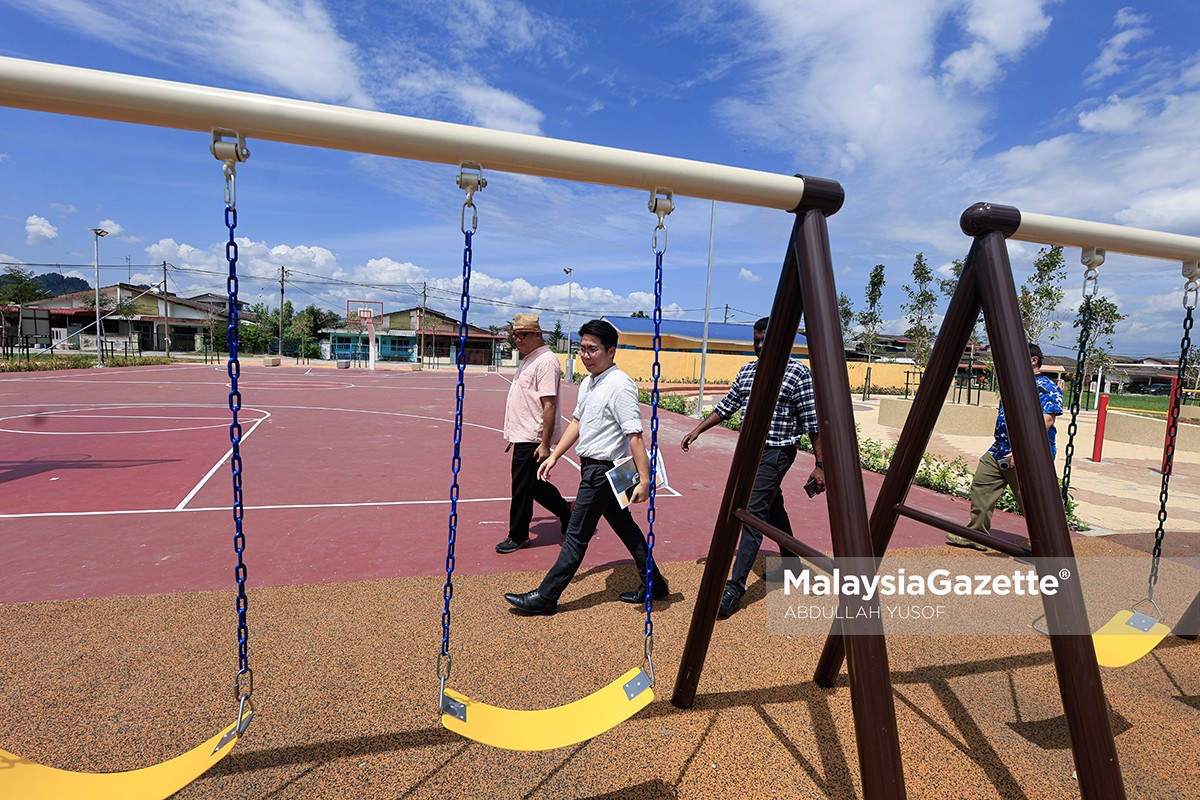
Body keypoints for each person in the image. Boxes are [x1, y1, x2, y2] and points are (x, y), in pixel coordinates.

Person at [504, 319, 668, 615]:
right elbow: (577, 422)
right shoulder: (590, 382)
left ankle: (546, 597)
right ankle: (655, 583)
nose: (586, 355)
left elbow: (635, 436)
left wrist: (644, 480)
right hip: (597, 468)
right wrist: (554, 455)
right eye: (582, 348)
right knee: (626, 528)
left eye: (593, 349)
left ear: (611, 351)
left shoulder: (620, 386)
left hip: (606, 472)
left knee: (577, 535)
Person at [680, 316, 823, 619]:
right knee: (772, 506)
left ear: (783, 341)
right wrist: (698, 430)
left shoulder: (797, 374)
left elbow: (813, 423)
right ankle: (792, 565)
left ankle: (734, 588)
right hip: (749, 453)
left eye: (766, 340)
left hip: (777, 452)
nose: (760, 346)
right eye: (756, 340)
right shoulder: (747, 371)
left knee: (752, 516)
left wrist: (820, 465)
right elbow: (727, 406)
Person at [948, 342, 1063, 549]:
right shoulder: (1016, 385)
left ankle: (1050, 546)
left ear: (1033, 360)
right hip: (999, 449)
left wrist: (1022, 449)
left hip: (1029, 453)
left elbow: (1046, 420)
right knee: (982, 486)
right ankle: (976, 535)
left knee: (1031, 501)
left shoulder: (1044, 386)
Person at [494, 313, 574, 554]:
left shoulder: (546, 362)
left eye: (523, 335)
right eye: (515, 335)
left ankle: (518, 535)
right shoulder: (530, 358)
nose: (517, 339)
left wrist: (544, 444)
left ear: (537, 335)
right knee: (534, 485)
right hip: (523, 433)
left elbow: (549, 405)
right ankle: (566, 511)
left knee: (521, 488)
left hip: (533, 436)